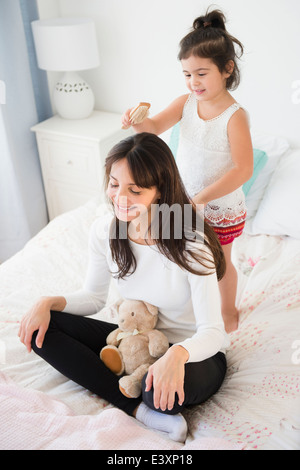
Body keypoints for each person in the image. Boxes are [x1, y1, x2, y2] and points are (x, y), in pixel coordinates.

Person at [18, 132, 229, 443]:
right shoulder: (104, 231)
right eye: (114, 184)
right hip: (136, 341)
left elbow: (213, 331)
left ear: (159, 192)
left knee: (154, 389)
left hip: (196, 353)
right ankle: (137, 411)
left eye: (135, 190)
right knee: (42, 330)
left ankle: (146, 401)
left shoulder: (191, 245)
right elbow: (93, 298)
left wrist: (177, 355)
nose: (120, 198)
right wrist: (47, 302)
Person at [122, 9, 253, 333]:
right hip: (186, 199)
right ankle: (188, 306)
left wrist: (203, 198)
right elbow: (152, 128)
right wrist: (136, 121)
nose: (193, 82)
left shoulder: (234, 116)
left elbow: (243, 169)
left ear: (226, 69)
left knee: (219, 263)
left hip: (220, 206)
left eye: (201, 73)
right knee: (181, 255)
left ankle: (227, 309)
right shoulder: (185, 103)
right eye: (187, 74)